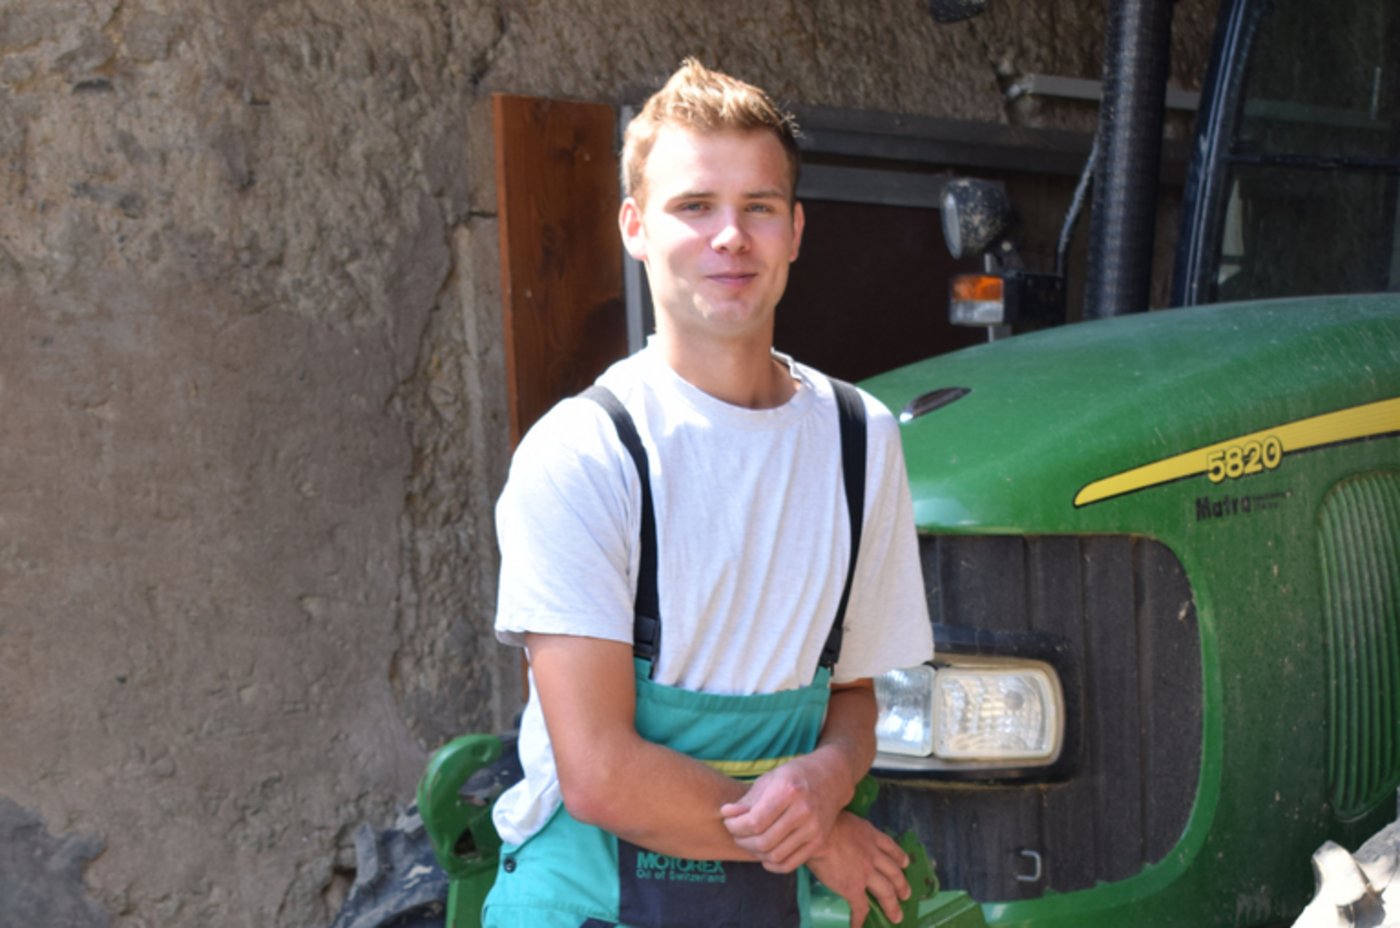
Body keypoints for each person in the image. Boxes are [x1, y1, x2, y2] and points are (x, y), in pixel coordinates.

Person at [483, 58, 935, 928]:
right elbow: (602, 772)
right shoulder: (586, 454)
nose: (731, 236)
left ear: (795, 231)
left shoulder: (858, 438)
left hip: (779, 903)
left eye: (758, 207)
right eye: (695, 207)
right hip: (589, 900)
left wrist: (831, 776)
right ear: (635, 226)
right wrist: (819, 837)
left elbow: (851, 695)